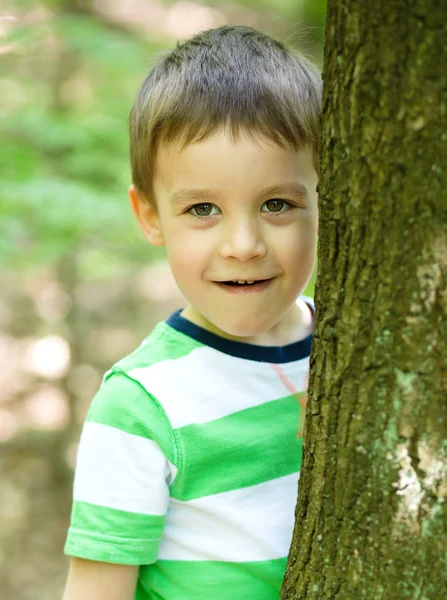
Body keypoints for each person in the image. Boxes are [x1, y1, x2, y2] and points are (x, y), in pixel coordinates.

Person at [62, 25, 321, 600]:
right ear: (150, 215)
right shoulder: (140, 406)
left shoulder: (352, 347)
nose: (244, 244)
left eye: (278, 203)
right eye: (203, 209)